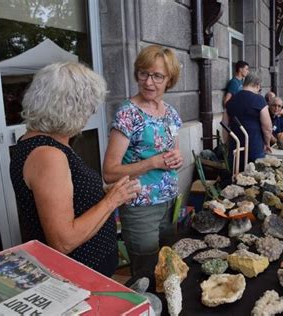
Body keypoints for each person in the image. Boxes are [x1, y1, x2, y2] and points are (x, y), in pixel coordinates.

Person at [9, 62, 140, 277]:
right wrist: (112, 201)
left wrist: (105, 193)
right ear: (70, 109)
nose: (90, 114)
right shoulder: (47, 154)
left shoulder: (39, 142)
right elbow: (63, 241)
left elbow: (70, 198)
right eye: (88, 108)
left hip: (86, 270)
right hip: (77, 276)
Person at [102, 45, 183, 279]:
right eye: (143, 73)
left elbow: (174, 154)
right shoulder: (127, 114)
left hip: (170, 204)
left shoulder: (171, 113)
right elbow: (109, 172)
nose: (148, 82)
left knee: (169, 269)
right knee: (147, 273)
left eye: (157, 76)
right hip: (141, 208)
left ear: (169, 80)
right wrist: (153, 162)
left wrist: (177, 159)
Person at [224, 72, 272, 169]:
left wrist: (227, 144)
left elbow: (224, 126)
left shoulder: (231, 101)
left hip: (235, 147)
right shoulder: (259, 100)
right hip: (255, 146)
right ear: (257, 85)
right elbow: (267, 127)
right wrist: (267, 143)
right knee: (255, 178)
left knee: (236, 178)